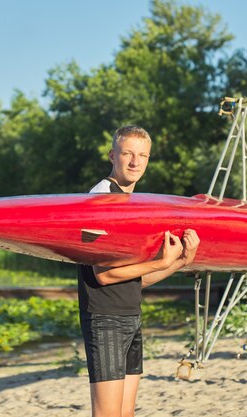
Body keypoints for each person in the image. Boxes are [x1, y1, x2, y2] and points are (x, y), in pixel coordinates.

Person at [78, 125, 200, 417]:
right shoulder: (103, 196)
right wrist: (160, 261)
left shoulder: (130, 200)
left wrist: (180, 260)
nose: (135, 162)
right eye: (128, 153)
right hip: (104, 319)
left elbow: (136, 279)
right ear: (112, 155)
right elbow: (103, 275)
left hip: (130, 315)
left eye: (143, 155)